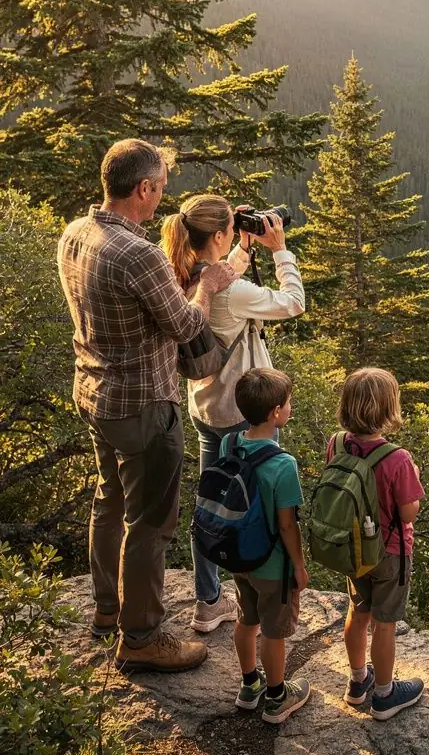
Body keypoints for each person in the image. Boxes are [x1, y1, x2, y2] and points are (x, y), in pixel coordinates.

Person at [57, 139, 235, 673]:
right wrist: (206, 285)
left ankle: (108, 609)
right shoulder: (140, 254)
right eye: (161, 186)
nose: (163, 196)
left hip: (94, 393)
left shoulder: (76, 234)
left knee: (107, 500)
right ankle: (142, 638)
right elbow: (185, 326)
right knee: (151, 521)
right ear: (145, 188)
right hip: (143, 404)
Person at [161, 195, 305, 634]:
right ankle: (257, 592)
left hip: (205, 407)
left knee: (213, 497)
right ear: (218, 235)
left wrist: (243, 248)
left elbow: (224, 278)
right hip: (244, 413)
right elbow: (292, 302)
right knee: (258, 505)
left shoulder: (179, 274)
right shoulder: (233, 292)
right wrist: (280, 249)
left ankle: (208, 600)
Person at [338, 368, 425, 720]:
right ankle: (386, 696)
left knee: (358, 612)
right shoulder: (397, 458)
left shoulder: (337, 443)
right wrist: (414, 479)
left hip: (353, 549)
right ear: (388, 408)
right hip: (389, 553)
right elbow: (408, 514)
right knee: (384, 623)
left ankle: (358, 682)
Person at [228, 367, 312, 724]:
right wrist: (299, 565)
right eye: (289, 403)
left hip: (237, 554)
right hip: (271, 565)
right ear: (276, 412)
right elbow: (287, 524)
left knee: (246, 620)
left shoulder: (228, 443)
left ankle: (250, 685)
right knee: (274, 632)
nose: (291, 408)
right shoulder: (283, 464)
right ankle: (278, 697)